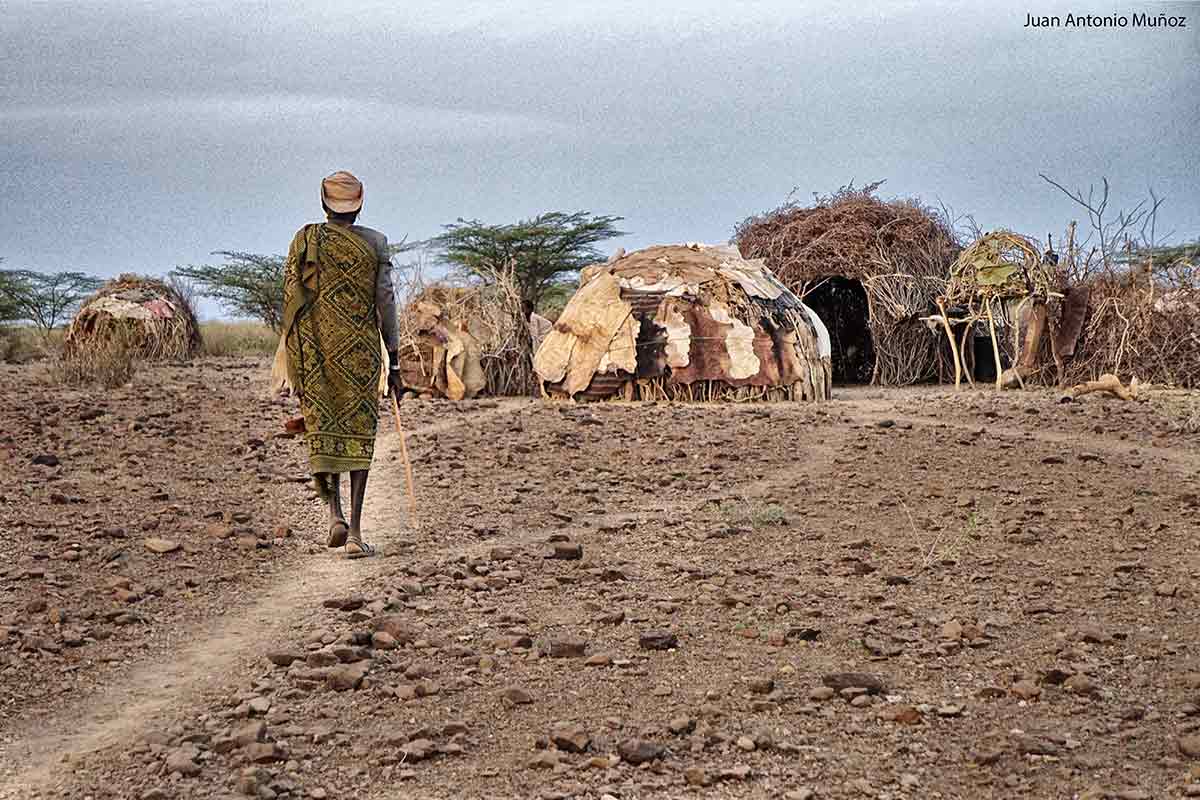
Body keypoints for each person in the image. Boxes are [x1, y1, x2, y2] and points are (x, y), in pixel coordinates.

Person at [275, 171, 403, 557]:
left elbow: (290, 297)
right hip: (360, 353)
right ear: (360, 204)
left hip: (313, 350)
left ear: (322, 203)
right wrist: (394, 362)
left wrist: (293, 351)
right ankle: (356, 533)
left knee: (321, 427)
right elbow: (386, 303)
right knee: (359, 434)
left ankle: (334, 514)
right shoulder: (375, 244)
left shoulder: (304, 239)